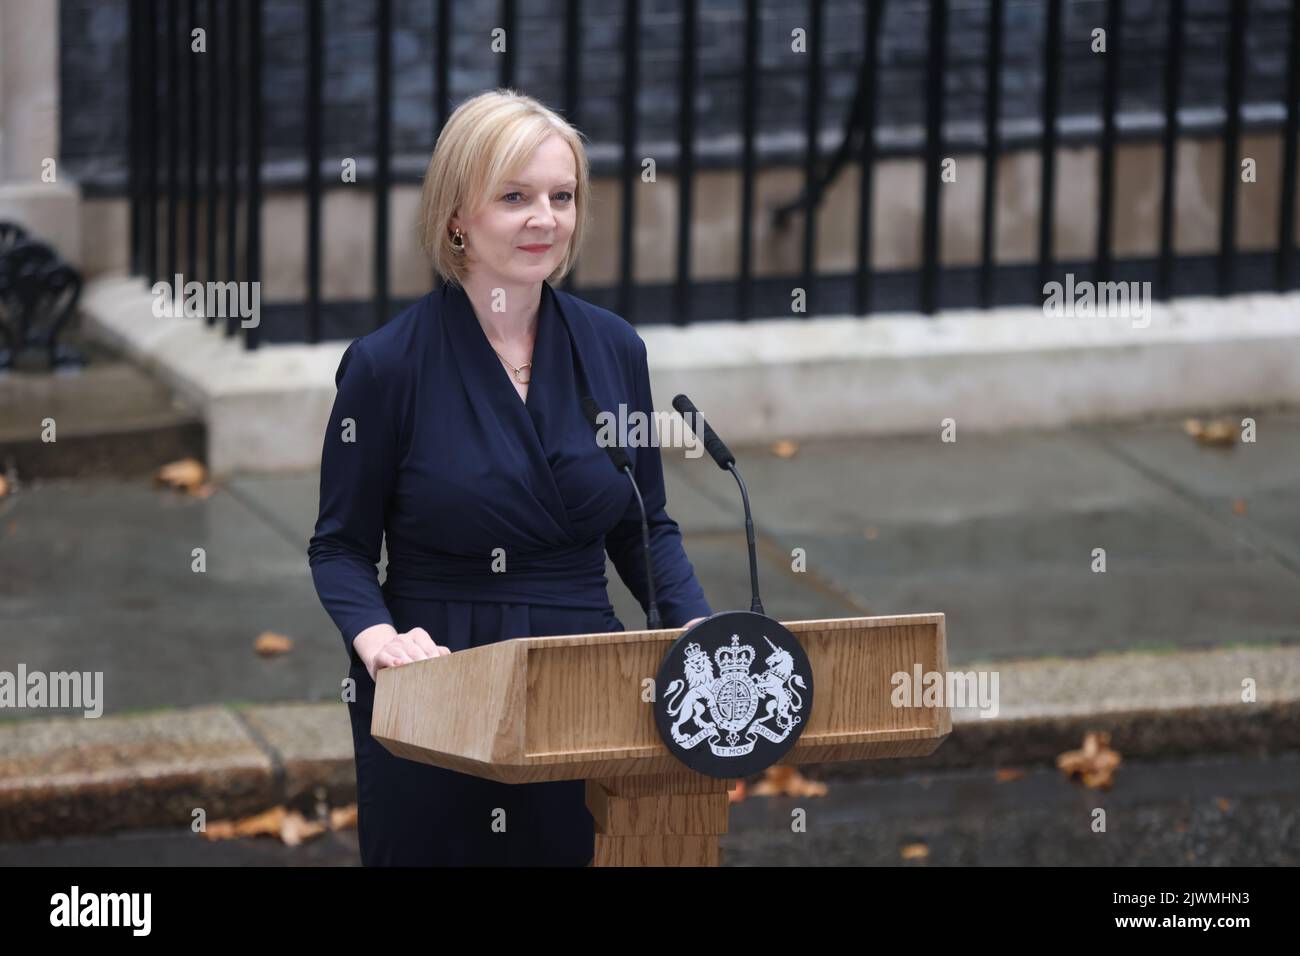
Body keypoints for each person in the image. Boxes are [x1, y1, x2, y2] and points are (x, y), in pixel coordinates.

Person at [307, 88, 712, 866]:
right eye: (516, 197)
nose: (545, 219)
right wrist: (379, 641)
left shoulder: (614, 348)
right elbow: (339, 548)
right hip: (440, 684)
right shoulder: (387, 367)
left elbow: (641, 525)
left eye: (562, 197)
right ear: (458, 214)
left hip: (586, 677)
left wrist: (693, 624)